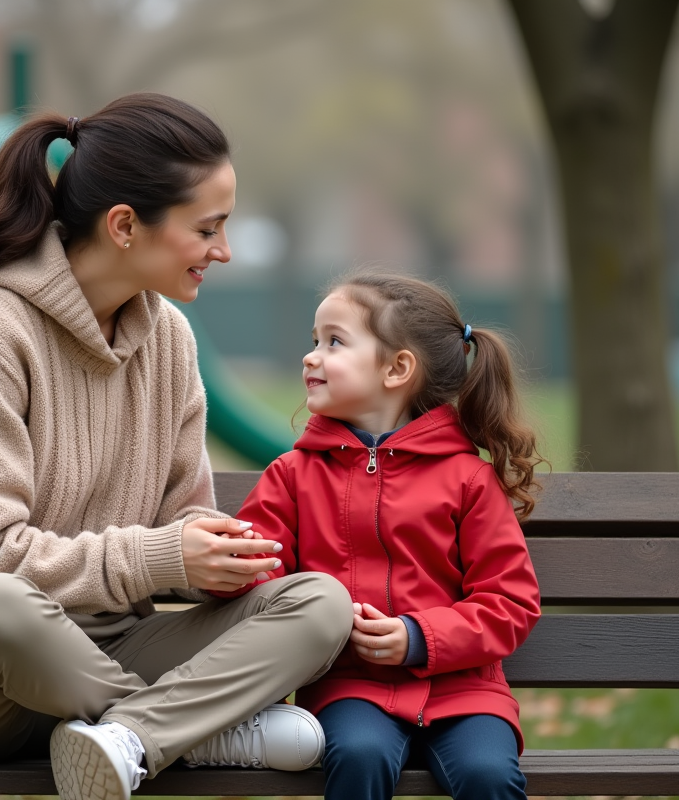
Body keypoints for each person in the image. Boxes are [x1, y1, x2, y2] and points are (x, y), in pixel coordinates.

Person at [0, 93, 353, 800]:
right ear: (123, 225)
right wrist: (163, 556)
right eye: (207, 228)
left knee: (318, 603)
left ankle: (133, 735)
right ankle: (188, 733)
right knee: (2, 604)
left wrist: (212, 560)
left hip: (100, 654)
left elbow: (178, 529)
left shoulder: (169, 340)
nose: (223, 251)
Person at [217, 273, 543, 800]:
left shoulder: (468, 479)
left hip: (466, 692)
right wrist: (232, 569)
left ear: (397, 368)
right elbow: (264, 573)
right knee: (358, 756)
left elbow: (510, 602)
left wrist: (417, 637)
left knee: (488, 774)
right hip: (351, 687)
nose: (311, 356)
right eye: (313, 340)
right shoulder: (293, 474)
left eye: (334, 341)